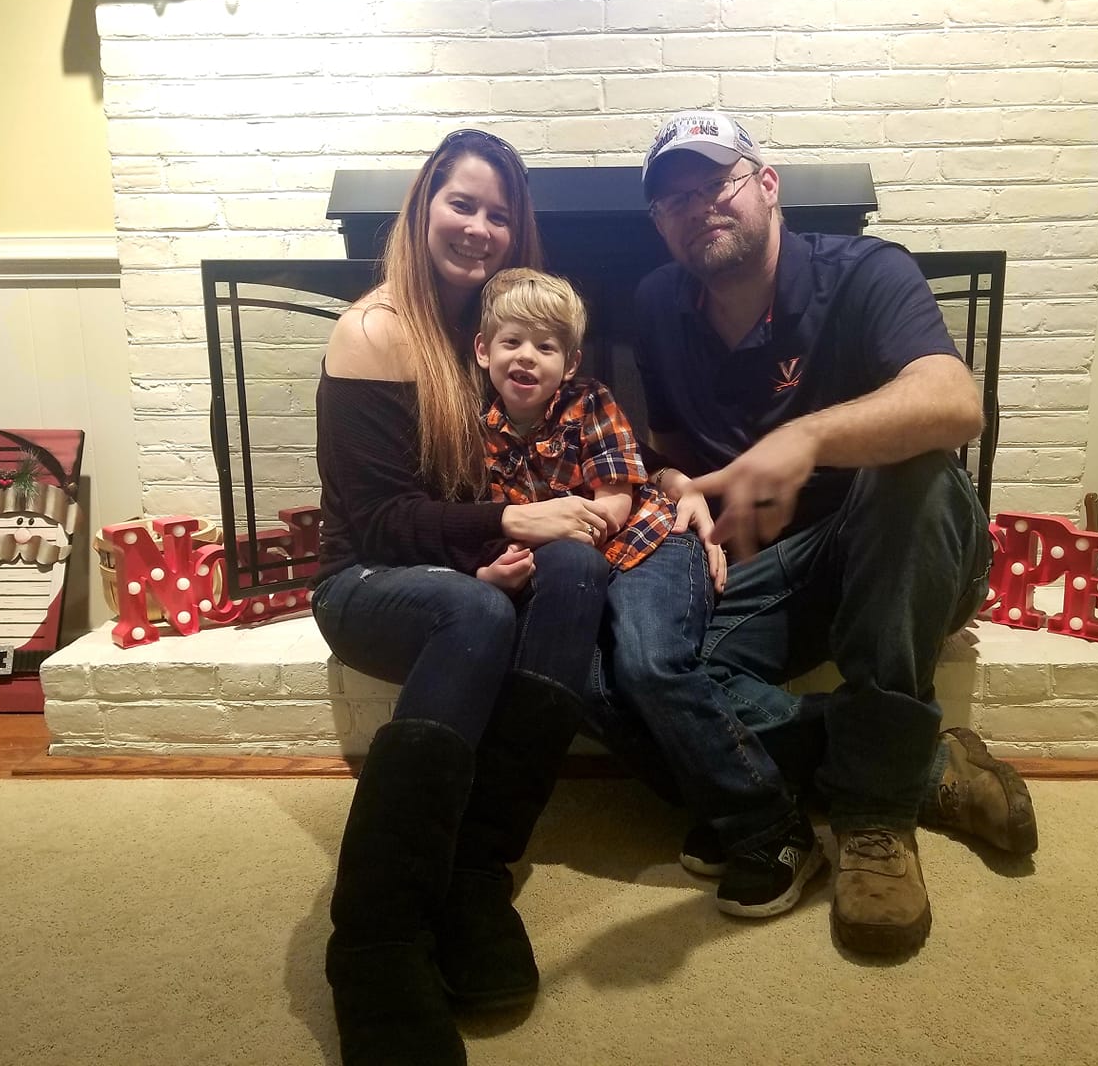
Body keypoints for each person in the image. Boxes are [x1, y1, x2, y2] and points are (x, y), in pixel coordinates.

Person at [612, 110, 1040, 957]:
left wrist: (805, 439)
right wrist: (673, 488)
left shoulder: (865, 272)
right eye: (674, 201)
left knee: (910, 470)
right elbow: (665, 451)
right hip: (771, 569)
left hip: (900, 545)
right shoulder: (659, 303)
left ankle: (875, 818)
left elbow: (957, 404)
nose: (698, 209)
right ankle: (920, 766)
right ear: (660, 225)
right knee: (641, 685)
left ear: (768, 186)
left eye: (717, 184)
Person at [310, 130, 613, 1066]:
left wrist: (661, 488)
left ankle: (475, 872)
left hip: (454, 574)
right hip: (363, 581)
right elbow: (383, 521)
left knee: (577, 567)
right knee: (478, 607)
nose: (480, 227)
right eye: (462, 204)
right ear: (422, 206)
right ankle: (375, 940)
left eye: (498, 213)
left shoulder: (487, 340)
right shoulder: (375, 332)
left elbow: (591, 456)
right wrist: (511, 525)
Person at [474, 267, 824, 918]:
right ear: (483, 349)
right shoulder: (477, 433)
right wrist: (496, 570)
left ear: (569, 360)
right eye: (513, 341)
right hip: (576, 579)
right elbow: (488, 524)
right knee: (592, 690)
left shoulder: (588, 401)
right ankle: (723, 796)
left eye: (546, 347)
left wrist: (561, 521)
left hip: (650, 548)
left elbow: (615, 500)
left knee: (649, 661)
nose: (526, 357)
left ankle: (770, 825)